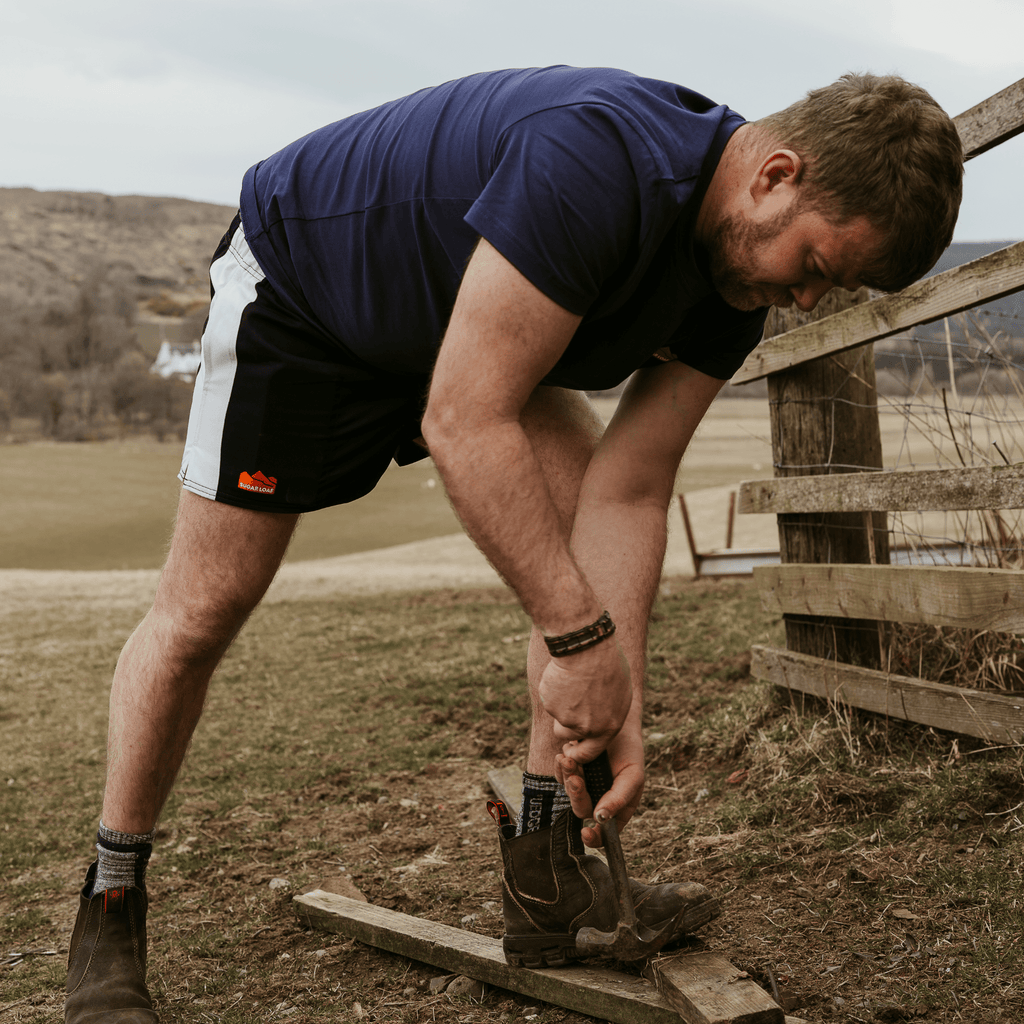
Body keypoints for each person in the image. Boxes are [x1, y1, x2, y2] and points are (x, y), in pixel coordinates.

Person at [64, 66, 963, 1021]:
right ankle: (111, 895)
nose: (810, 301)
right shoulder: (596, 163)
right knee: (203, 611)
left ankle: (546, 878)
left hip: (468, 336)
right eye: (819, 267)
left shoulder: (735, 276)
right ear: (775, 175)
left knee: (583, 568)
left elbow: (630, 488)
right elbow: (463, 419)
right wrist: (579, 641)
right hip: (310, 300)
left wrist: (616, 690)